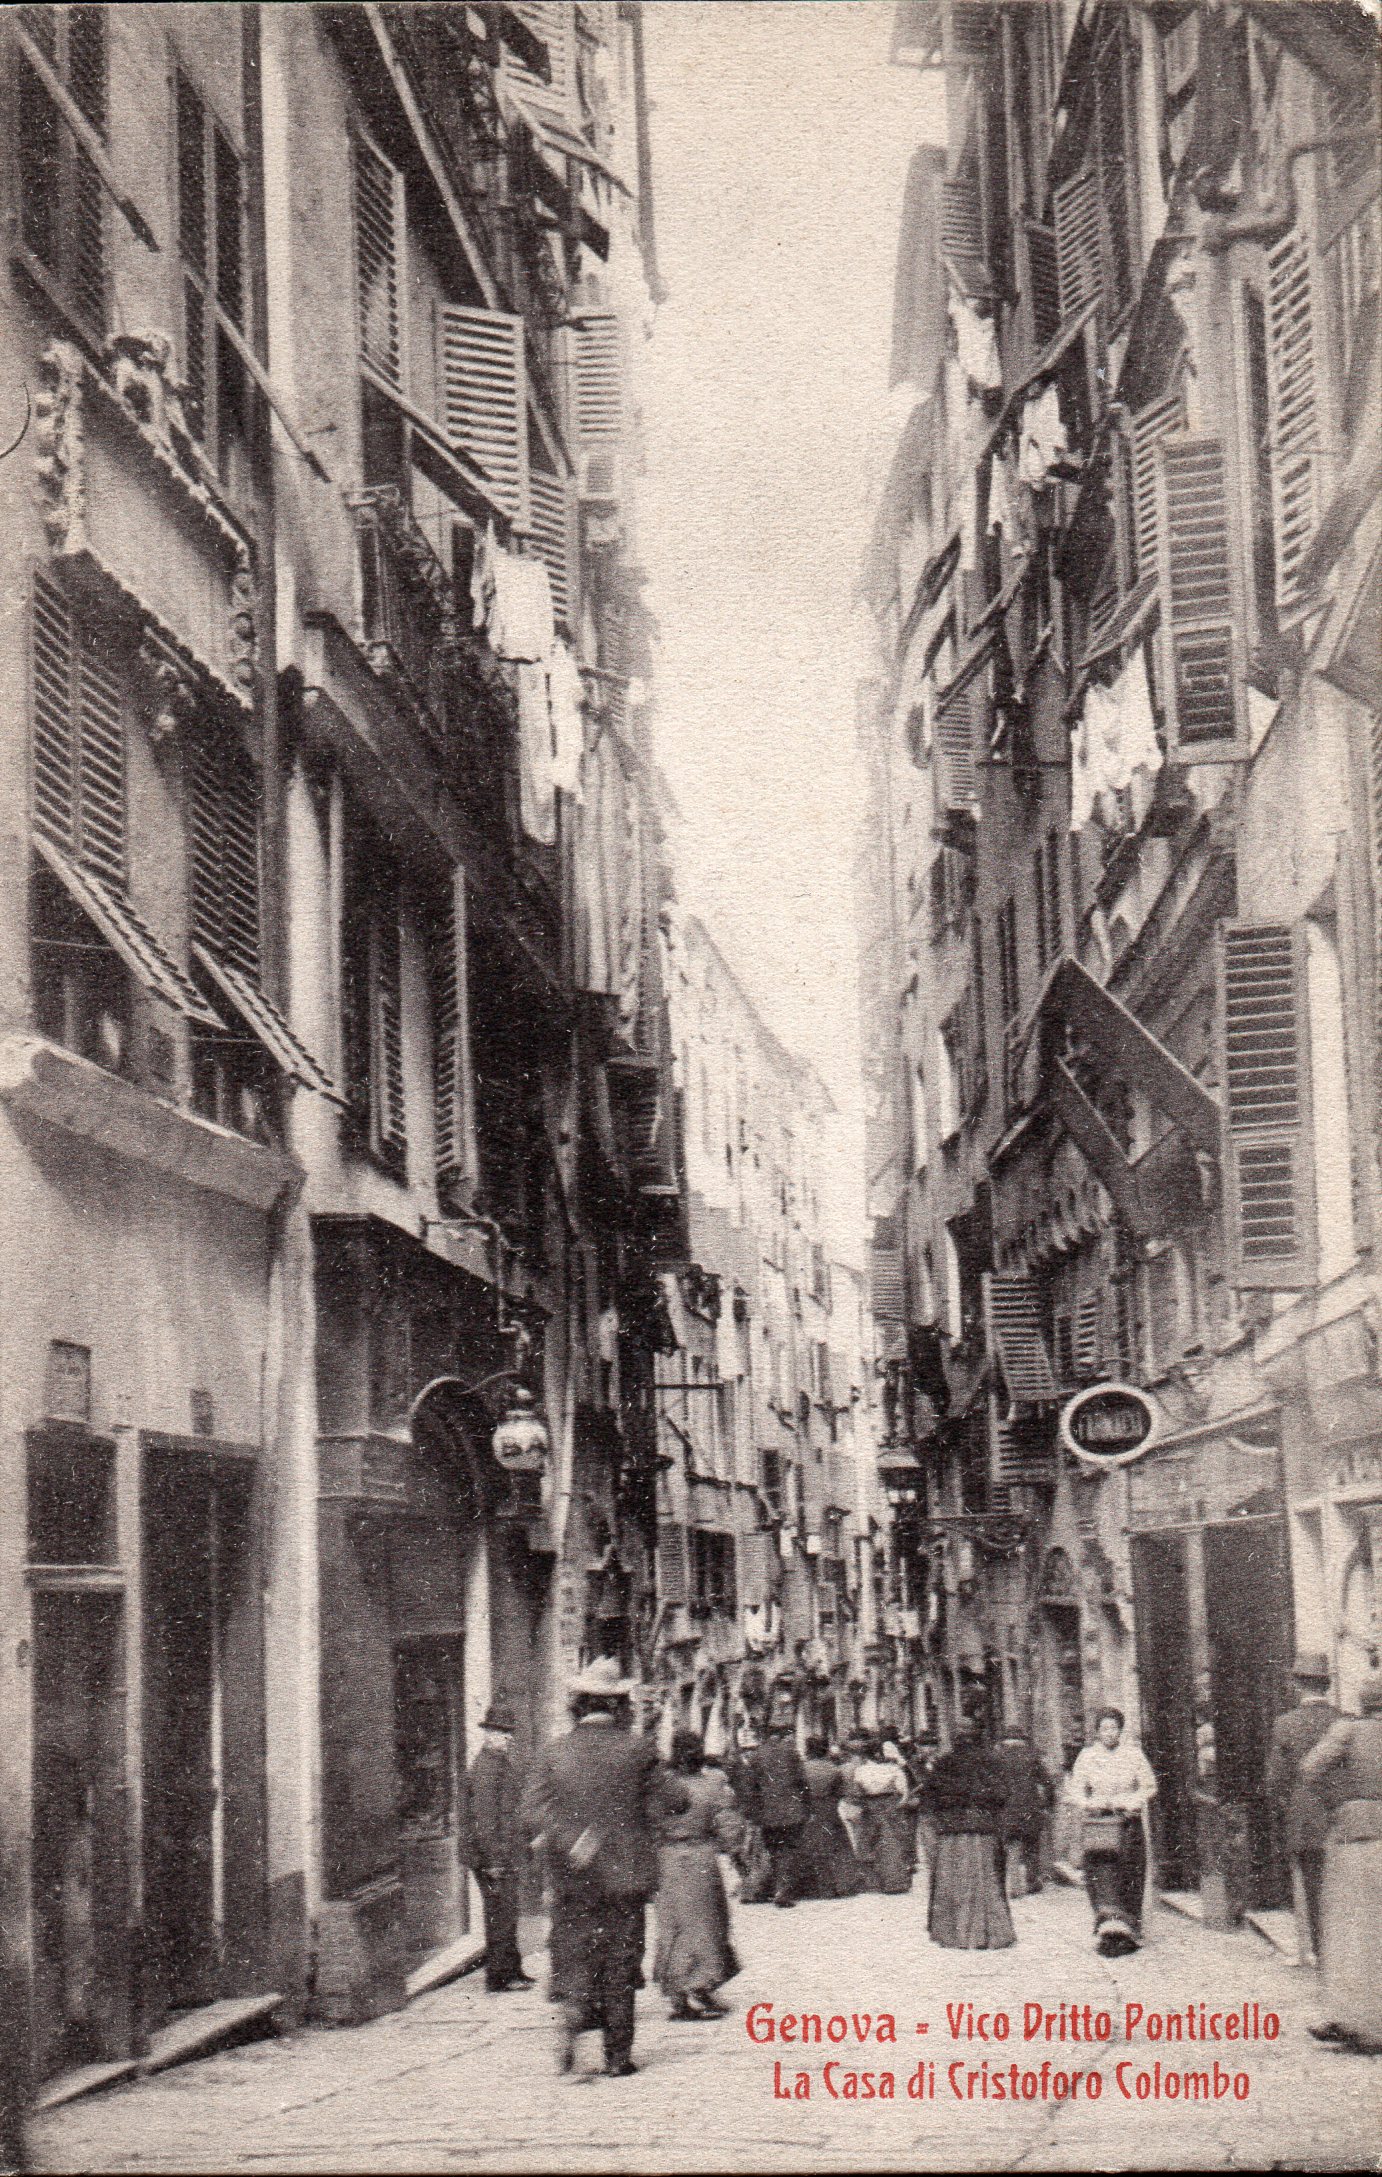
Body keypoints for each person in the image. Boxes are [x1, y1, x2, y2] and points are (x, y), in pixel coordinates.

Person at [522, 1657, 669, 2078]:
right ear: (620, 1705)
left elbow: (530, 1811)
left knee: (574, 1952)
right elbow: (675, 1800)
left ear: (578, 1704)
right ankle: (617, 2056)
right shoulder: (638, 1750)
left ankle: (573, 2013)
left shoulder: (553, 1752)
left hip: (574, 1876)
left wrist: (574, 1839)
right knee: (622, 1960)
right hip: (626, 1878)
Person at [1300, 1674, 1382, 2054]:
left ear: (1364, 1702)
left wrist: (1340, 1802)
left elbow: (1310, 1769)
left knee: (1352, 1927)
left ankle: (1354, 2017)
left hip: (1356, 1835)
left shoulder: (1347, 1731)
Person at [653, 1729, 742, 2020]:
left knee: (673, 1926)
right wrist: (733, 1849)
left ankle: (678, 1992)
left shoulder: (661, 1787)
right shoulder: (713, 1785)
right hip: (701, 1858)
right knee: (708, 1924)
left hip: (667, 1858)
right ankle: (702, 1983)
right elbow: (729, 1826)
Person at [1264, 1651, 1338, 1967]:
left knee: (1310, 1884)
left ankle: (1318, 1952)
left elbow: (1275, 1780)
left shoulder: (1285, 1724)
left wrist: (1287, 1806)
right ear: (1326, 1685)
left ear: (1297, 1685)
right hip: (1339, 1815)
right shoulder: (1343, 1720)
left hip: (1304, 1817)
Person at [1065, 1707, 1157, 1956]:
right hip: (1100, 1824)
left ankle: (1130, 1927)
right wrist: (1090, 1803)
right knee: (1102, 1875)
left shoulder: (1133, 1754)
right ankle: (1107, 1927)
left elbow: (1149, 1785)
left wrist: (1133, 1800)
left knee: (1130, 1872)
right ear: (1097, 1731)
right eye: (1104, 1728)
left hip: (1127, 1823)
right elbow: (1075, 1790)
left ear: (1120, 1730)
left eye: (1113, 1728)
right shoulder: (1087, 1756)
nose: (1109, 1733)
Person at [926, 1703, 1015, 1949]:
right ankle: (986, 1933)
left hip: (952, 1830)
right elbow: (1002, 1794)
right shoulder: (992, 1761)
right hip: (983, 1828)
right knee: (985, 1880)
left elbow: (932, 1798)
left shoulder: (943, 1763)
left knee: (952, 1881)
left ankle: (954, 1934)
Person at [461, 1701, 534, 1994]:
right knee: (500, 1914)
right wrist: (492, 1860)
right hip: (492, 1856)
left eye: (508, 1733)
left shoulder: (500, 1762)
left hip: (503, 1853)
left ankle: (512, 1970)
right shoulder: (486, 1768)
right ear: (487, 1733)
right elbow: (484, 1820)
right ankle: (500, 1977)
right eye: (500, 1732)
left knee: (506, 1911)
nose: (506, 1738)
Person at [741, 1721, 809, 1907]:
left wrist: (753, 1813)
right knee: (789, 1850)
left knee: (774, 1850)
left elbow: (750, 1788)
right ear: (780, 1736)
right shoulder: (791, 1753)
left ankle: (775, 1888)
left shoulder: (756, 1756)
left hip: (768, 1813)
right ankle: (783, 1890)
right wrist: (806, 1805)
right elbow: (803, 1782)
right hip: (792, 1811)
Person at [991, 1724, 1053, 1898]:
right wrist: (1048, 1803)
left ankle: (1015, 1886)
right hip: (1030, 1808)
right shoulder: (1032, 1756)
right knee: (1031, 1845)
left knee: (1012, 1846)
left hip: (1007, 1809)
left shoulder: (997, 1757)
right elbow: (1047, 1782)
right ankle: (1032, 1882)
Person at [798, 1736, 860, 1899]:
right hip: (828, 1810)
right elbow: (841, 1793)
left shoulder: (801, 1768)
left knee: (807, 1844)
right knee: (835, 1846)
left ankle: (809, 1887)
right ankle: (840, 1885)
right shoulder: (834, 1769)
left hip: (807, 1810)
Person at [849, 1738, 913, 1893]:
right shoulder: (894, 1769)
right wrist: (898, 1805)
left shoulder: (860, 1771)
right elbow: (904, 1792)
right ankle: (895, 1882)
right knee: (892, 1843)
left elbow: (856, 1792)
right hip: (890, 1805)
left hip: (869, 1807)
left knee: (868, 1842)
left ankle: (872, 1882)